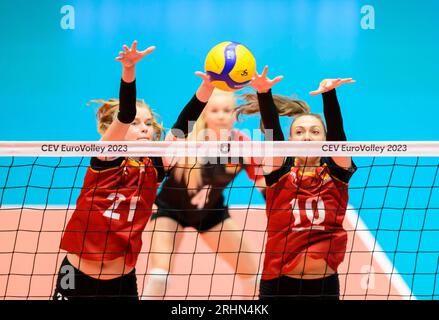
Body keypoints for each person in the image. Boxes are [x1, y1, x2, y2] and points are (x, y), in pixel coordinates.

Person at [53, 40, 215, 300]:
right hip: (76, 277)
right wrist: (129, 70)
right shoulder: (104, 158)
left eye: (149, 123)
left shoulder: (154, 165)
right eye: (137, 123)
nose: (144, 127)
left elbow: (182, 127)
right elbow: (125, 114)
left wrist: (207, 88)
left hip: (122, 281)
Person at [237, 66, 356, 300]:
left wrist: (329, 95)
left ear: (324, 139)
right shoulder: (279, 171)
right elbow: (273, 137)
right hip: (278, 284)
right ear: (290, 139)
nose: (307, 137)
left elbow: (339, 139)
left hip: (323, 287)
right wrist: (263, 93)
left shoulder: (336, 172)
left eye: (315, 132)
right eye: (299, 132)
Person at [143, 89, 266, 300]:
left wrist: (282, 206)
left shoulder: (243, 144)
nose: (221, 115)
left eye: (227, 110)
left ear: (234, 115)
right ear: (205, 114)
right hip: (170, 211)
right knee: (159, 277)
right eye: (215, 110)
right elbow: (155, 172)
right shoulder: (188, 141)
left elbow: (262, 182)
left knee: (255, 278)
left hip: (211, 213)